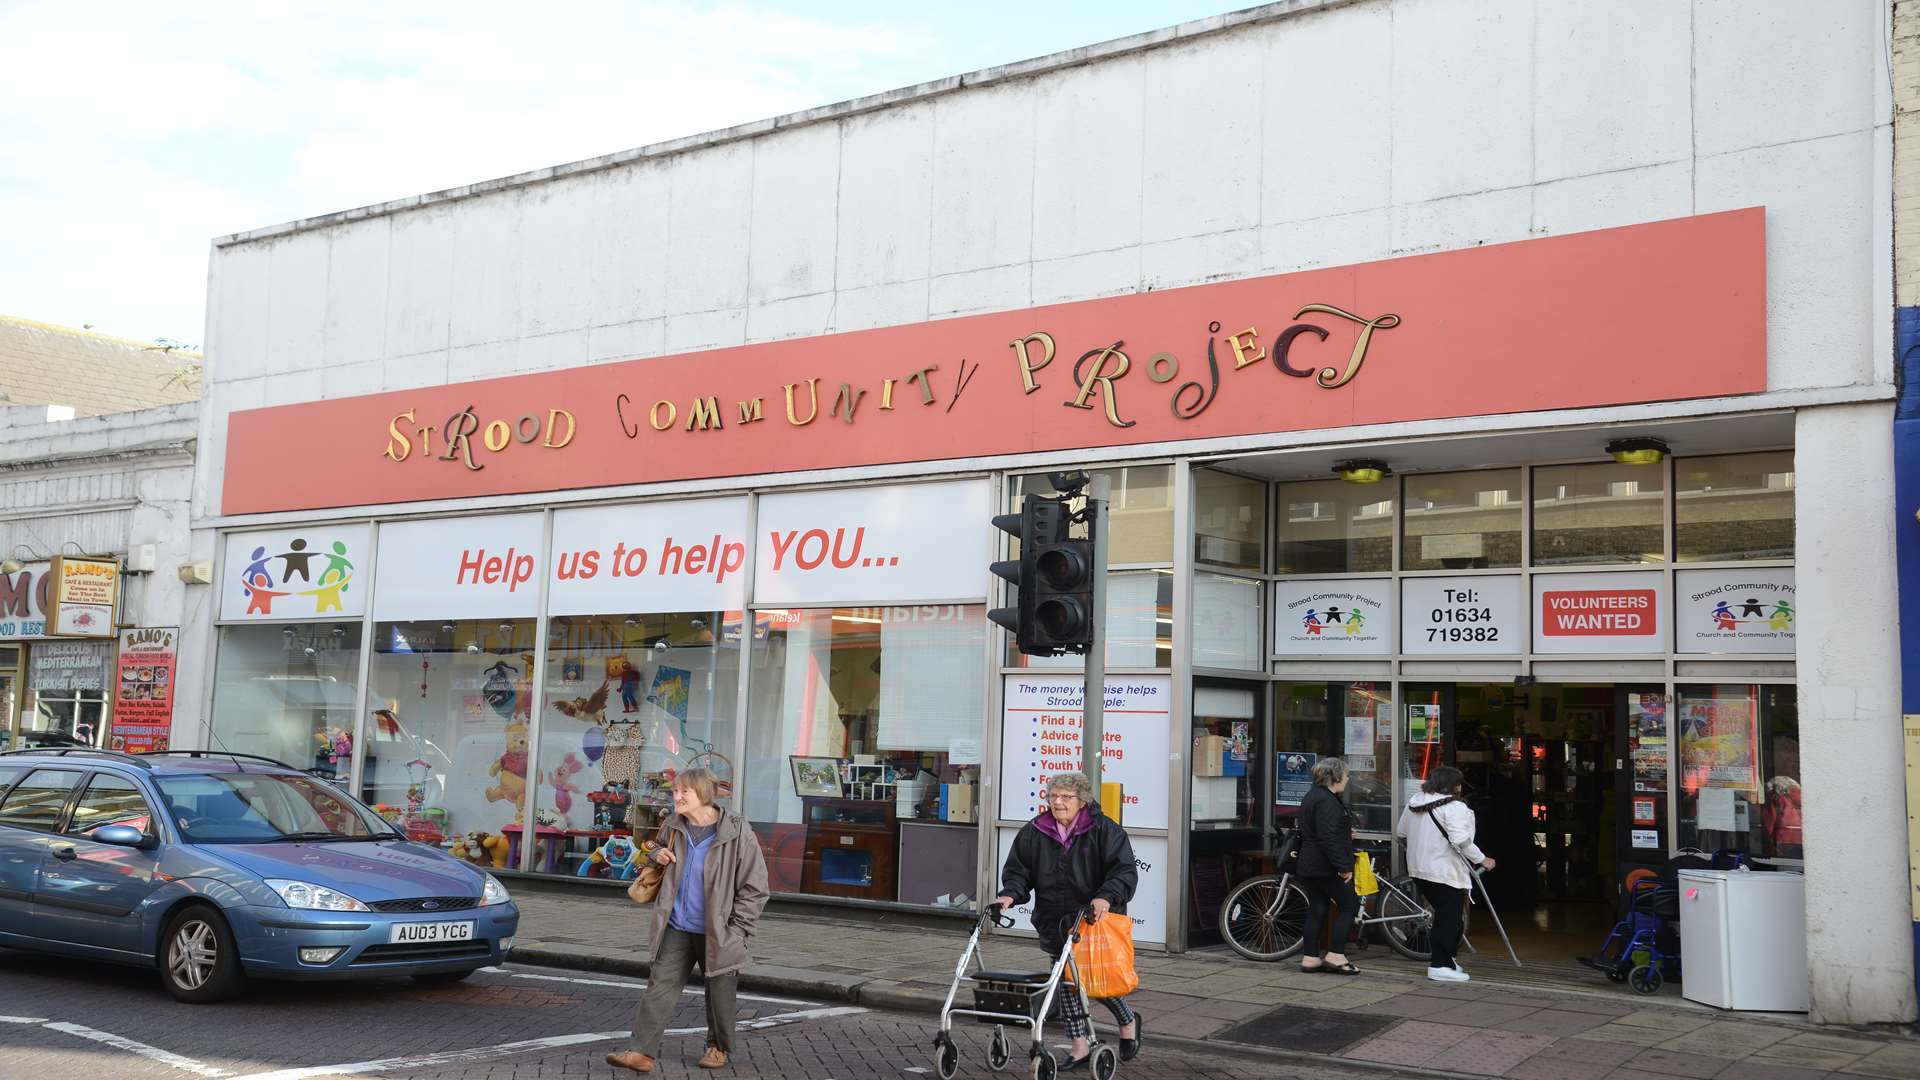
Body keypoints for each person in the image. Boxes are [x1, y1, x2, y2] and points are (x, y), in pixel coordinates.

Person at [606, 769, 769, 1074]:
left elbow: (756, 886)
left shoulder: (736, 830)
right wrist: (658, 855)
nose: (677, 797)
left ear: (704, 795)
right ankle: (641, 1052)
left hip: (719, 929)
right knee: (659, 985)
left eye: (685, 793)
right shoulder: (672, 824)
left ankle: (718, 1047)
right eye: (676, 791)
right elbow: (653, 853)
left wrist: (738, 929)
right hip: (677, 923)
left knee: (720, 992)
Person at [995, 771, 1143, 1068]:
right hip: (1054, 919)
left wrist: (1105, 897)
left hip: (1092, 920)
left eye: (1066, 797)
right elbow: (1019, 869)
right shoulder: (1035, 830)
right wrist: (1010, 894)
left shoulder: (1105, 830)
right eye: (1053, 797)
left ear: (1082, 800)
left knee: (1093, 982)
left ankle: (1127, 1022)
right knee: (1068, 984)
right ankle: (1080, 1046)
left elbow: (1123, 871)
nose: (1058, 802)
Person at [1396, 766, 1495, 983]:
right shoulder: (1455, 808)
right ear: (1456, 786)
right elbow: (1461, 841)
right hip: (1444, 870)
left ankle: (1448, 961)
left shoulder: (1415, 801)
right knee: (1449, 920)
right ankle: (1440, 965)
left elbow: (1401, 832)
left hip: (1418, 868)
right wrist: (1482, 859)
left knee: (1446, 917)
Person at [1295, 757, 1361, 975]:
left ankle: (1311, 957)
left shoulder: (1312, 796)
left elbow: (1318, 830)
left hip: (1308, 863)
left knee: (1317, 909)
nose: (1348, 779)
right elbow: (1327, 837)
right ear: (1335, 777)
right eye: (1346, 775)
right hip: (1325, 865)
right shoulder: (1327, 801)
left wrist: (1344, 832)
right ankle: (1336, 955)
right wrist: (1343, 867)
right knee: (1349, 905)